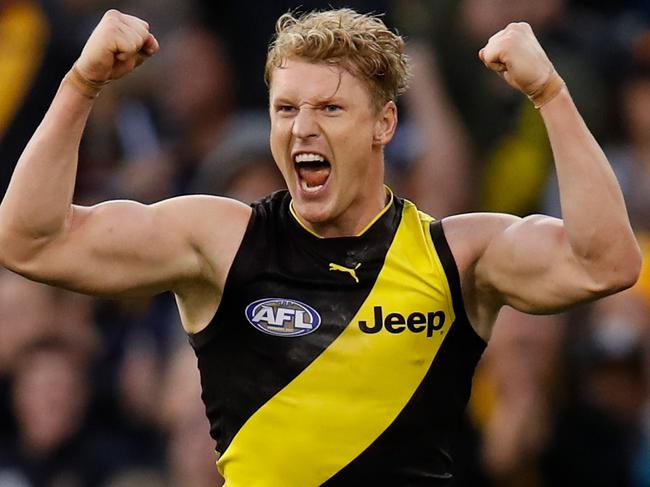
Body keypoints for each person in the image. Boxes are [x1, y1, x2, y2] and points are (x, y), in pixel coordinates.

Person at [0, 7, 641, 485]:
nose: (302, 127)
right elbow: (29, 241)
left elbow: (607, 261)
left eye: (330, 109)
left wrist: (550, 94)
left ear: (383, 124)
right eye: (285, 109)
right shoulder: (220, 241)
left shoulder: (459, 254)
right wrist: (81, 84)